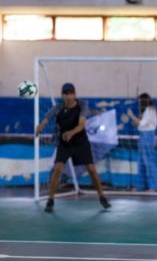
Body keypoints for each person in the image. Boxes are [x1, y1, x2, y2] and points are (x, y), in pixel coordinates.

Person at [35, 83, 111, 213]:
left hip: (80, 142)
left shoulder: (82, 106)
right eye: (66, 94)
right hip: (65, 143)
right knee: (57, 168)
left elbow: (81, 125)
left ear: (75, 94)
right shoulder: (58, 108)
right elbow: (46, 119)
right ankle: (50, 200)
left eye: (71, 93)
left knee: (92, 169)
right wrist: (41, 125)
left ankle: (102, 197)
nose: (69, 96)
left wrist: (71, 133)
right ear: (62, 95)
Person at [128, 93, 157, 191]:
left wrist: (132, 116)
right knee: (141, 162)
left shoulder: (150, 110)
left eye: (139, 101)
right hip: (142, 136)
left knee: (149, 161)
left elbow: (142, 123)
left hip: (148, 136)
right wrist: (135, 121)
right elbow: (140, 125)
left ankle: (154, 186)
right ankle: (140, 186)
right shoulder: (146, 111)